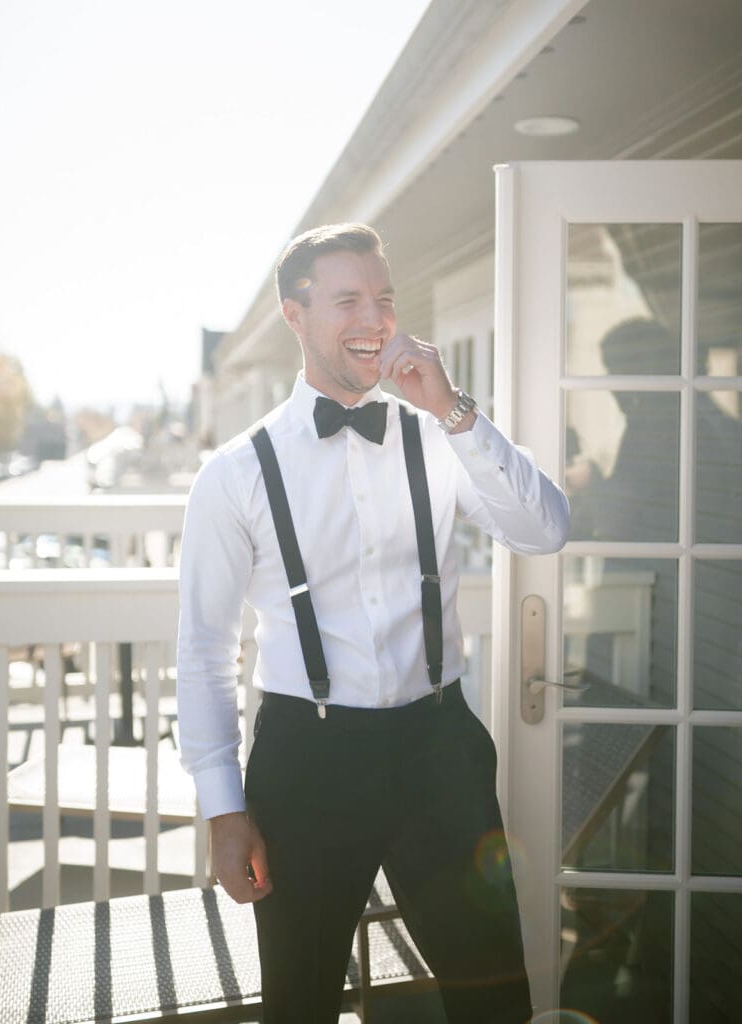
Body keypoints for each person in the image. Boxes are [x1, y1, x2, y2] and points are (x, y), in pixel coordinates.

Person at [177, 223, 569, 1023]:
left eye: (385, 299)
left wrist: (455, 409)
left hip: (440, 749)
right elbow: (204, 652)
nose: (374, 318)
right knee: (301, 999)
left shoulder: (440, 434)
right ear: (296, 315)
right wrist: (224, 810)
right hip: (306, 759)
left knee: (496, 994)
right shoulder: (235, 473)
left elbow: (545, 530)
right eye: (349, 299)